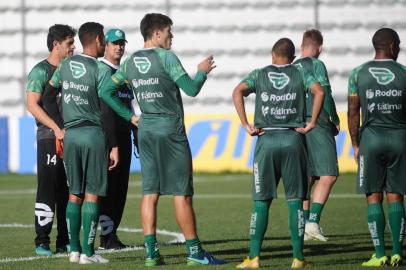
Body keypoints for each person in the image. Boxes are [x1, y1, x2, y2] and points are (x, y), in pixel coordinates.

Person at [99, 13, 226, 266]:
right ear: (156, 33)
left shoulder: (131, 62)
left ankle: (151, 253)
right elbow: (191, 89)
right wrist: (201, 72)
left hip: (146, 129)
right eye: (169, 32)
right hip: (170, 129)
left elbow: (105, 90)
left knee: (150, 192)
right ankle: (194, 252)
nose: (172, 37)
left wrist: (129, 116)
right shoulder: (167, 58)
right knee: (182, 193)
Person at [44, 22, 137, 264]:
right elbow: (107, 107)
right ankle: (88, 252)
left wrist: (60, 127)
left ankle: (73, 250)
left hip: (71, 135)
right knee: (92, 196)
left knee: (74, 194)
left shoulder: (65, 65)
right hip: (94, 135)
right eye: (104, 39)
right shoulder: (100, 69)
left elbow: (47, 96)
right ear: (97, 40)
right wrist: (129, 119)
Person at [233, 38, 325, 269]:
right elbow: (319, 92)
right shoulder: (301, 72)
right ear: (292, 58)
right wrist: (312, 122)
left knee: (261, 201)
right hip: (294, 139)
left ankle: (253, 257)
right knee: (296, 201)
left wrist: (246, 124)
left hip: (267, 140)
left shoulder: (259, 73)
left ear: (272, 54)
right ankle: (298, 258)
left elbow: (237, 91)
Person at [347, 28, 406, 267]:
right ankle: (397, 252)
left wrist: (355, 143)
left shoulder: (358, 73)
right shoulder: (404, 72)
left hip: (370, 139)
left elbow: (353, 111)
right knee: (396, 196)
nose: (400, 47)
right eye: (399, 44)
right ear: (391, 46)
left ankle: (379, 253)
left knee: (373, 197)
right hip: (400, 138)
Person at [26, 24, 76, 256]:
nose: (73, 47)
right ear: (56, 45)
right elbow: (32, 105)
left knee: (68, 191)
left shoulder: (73, 70)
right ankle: (42, 241)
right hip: (49, 138)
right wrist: (56, 128)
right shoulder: (40, 71)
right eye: (69, 43)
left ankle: (64, 240)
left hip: (71, 138)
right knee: (47, 189)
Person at [293, 29, 340, 241]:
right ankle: (312, 222)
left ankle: (302, 228)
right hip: (317, 121)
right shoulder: (317, 64)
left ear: (301, 46)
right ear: (320, 48)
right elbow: (324, 92)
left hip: (295, 124)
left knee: (308, 177)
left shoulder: (291, 67)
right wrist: (335, 119)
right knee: (329, 174)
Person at [98, 28, 135, 250]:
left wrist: (135, 133)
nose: (119, 47)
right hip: (108, 139)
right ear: (105, 45)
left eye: (122, 43)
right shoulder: (102, 70)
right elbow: (105, 111)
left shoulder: (124, 74)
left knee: (120, 189)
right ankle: (104, 235)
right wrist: (112, 143)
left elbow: (129, 105)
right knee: (107, 188)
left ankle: (111, 236)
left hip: (124, 135)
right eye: (114, 43)